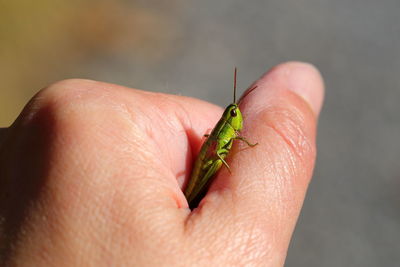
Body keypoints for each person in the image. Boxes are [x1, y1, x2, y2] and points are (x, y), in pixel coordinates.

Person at [0, 62, 324, 266]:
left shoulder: (230, 128)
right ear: (230, 119)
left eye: (234, 114)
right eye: (233, 114)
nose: (235, 117)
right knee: (211, 163)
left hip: (215, 153)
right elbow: (216, 150)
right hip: (208, 165)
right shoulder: (226, 132)